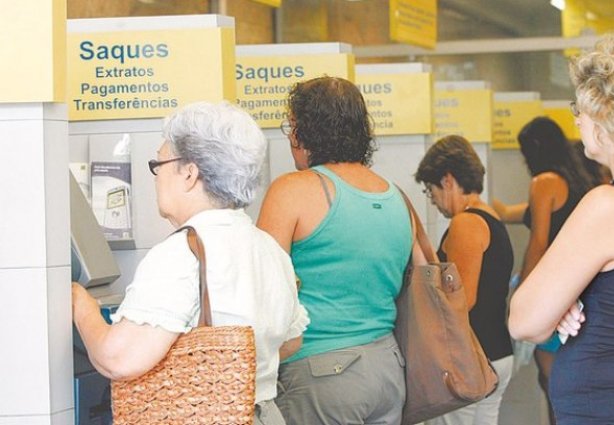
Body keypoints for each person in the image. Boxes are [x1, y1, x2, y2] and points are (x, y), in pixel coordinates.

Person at [71, 101, 309, 425]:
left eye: (159, 163)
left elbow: (118, 358)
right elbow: (291, 340)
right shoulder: (268, 248)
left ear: (189, 172)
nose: (156, 177)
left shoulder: (183, 253)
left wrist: (80, 304)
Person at [257, 76, 412, 425]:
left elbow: (263, 289)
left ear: (306, 131)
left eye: (291, 126)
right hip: (387, 367)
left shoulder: (291, 190)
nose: (290, 137)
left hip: (322, 372)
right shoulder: (395, 195)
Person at [509, 34, 614, 424]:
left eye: (578, 108)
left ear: (603, 121)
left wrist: (557, 302)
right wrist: (580, 292)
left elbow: (524, 321)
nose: (574, 119)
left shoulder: (606, 206)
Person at [492, 116, 594, 424]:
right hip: (586, 290)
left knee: (553, 384)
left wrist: (523, 291)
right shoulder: (581, 180)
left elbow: (537, 242)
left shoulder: (543, 183)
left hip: (556, 292)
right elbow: (512, 213)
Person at [414, 135, 514, 425]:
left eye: (431, 191)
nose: (433, 201)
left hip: (472, 359)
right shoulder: (490, 216)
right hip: (495, 352)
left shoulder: (466, 223)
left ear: (447, 180)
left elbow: (461, 300)